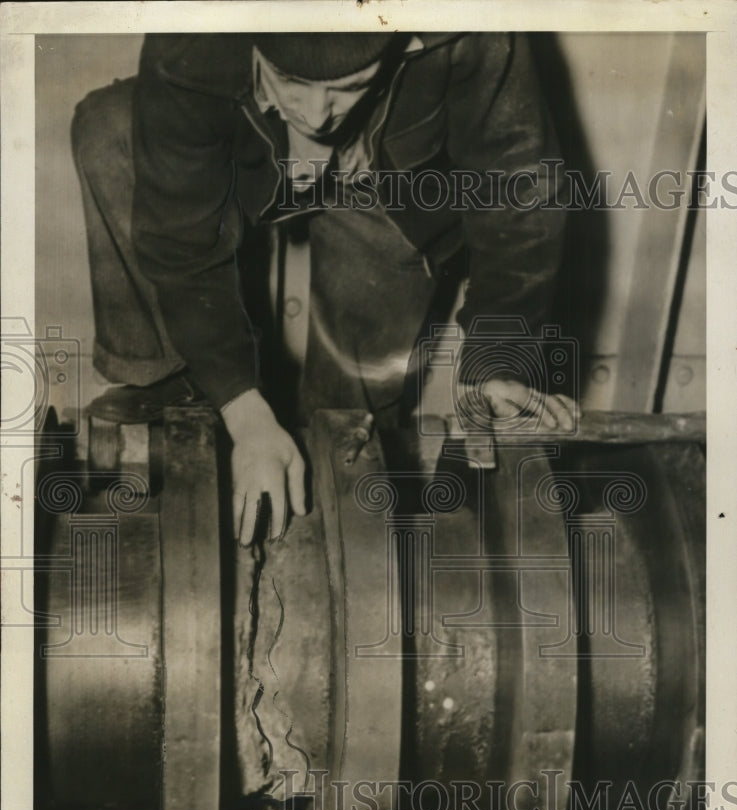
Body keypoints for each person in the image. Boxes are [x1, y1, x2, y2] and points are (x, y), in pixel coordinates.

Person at [72, 31, 579, 546]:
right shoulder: (191, 39)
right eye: (292, 82)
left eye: (347, 87)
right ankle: (175, 377)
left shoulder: (469, 28)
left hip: (387, 182)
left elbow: (521, 192)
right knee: (107, 126)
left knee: (346, 434)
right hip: (244, 155)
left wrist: (496, 359)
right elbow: (180, 244)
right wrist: (244, 412)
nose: (317, 116)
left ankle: (344, 460)